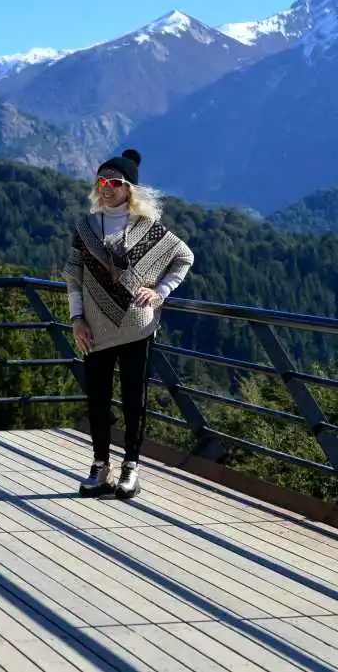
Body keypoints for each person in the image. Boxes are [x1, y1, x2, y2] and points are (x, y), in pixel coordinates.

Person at [63, 149, 194, 499]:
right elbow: (74, 276)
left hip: (138, 327)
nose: (106, 188)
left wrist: (160, 291)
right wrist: (76, 319)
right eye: (101, 181)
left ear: (129, 189)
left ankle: (131, 468)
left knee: (134, 398)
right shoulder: (87, 228)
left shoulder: (149, 229)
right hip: (94, 327)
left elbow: (183, 257)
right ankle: (100, 466)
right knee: (98, 398)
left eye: (114, 183)